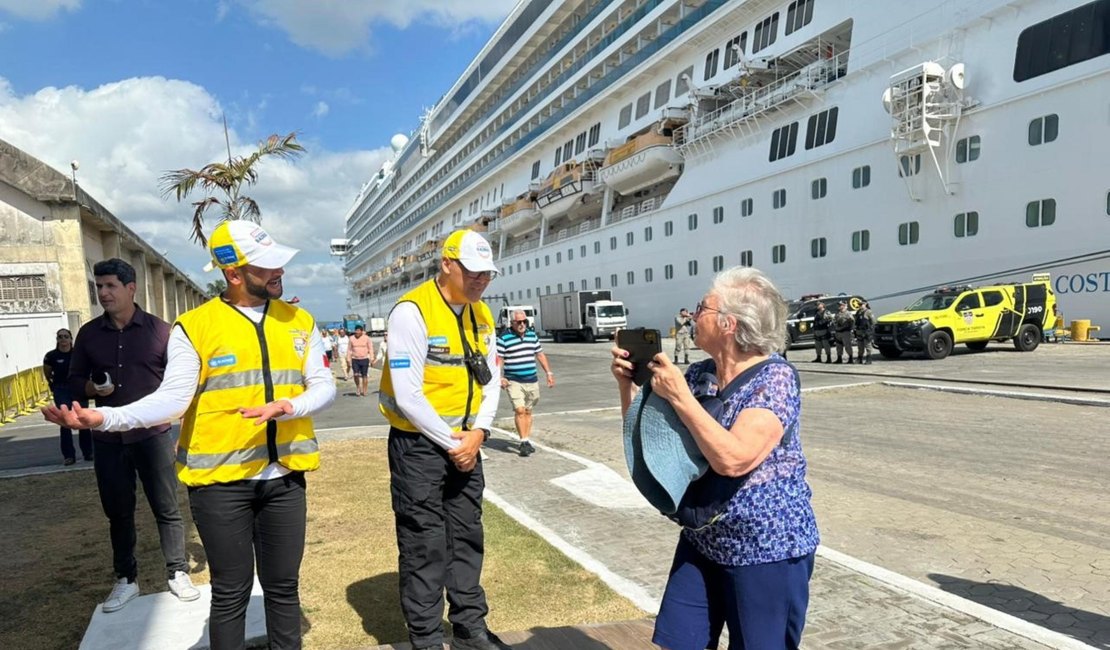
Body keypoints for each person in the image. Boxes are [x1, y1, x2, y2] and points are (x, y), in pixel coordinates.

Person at [45, 222, 335, 649]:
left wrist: (291, 406)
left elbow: (323, 384)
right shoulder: (193, 327)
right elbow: (171, 400)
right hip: (221, 486)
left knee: (283, 588)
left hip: (284, 480)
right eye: (268, 265)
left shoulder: (300, 320)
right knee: (231, 593)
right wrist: (105, 418)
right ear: (235, 274)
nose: (280, 272)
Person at [611, 267, 818, 650]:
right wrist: (628, 386)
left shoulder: (775, 379)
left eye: (701, 307)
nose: (693, 316)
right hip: (704, 537)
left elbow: (735, 459)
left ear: (728, 323)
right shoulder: (700, 374)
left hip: (766, 548)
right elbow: (647, 441)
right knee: (680, 642)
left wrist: (680, 397)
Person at [378, 229, 510, 650]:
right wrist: (457, 444)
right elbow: (408, 394)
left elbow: (490, 381)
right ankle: (427, 638)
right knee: (424, 542)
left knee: (468, 535)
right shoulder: (412, 312)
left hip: (466, 444)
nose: (480, 281)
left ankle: (471, 628)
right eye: (473, 272)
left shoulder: (482, 314)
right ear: (447, 264)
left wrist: (479, 433)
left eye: (487, 274)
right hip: (420, 447)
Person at [62, 258, 198, 612]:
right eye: (99, 287)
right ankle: (126, 580)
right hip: (106, 439)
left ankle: (177, 571)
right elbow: (74, 381)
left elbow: (179, 382)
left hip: (152, 436)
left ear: (131, 288)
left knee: (166, 507)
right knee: (118, 512)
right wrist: (93, 387)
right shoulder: (89, 334)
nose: (103, 293)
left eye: (110, 286)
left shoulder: (160, 331)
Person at [496, 310, 554, 457]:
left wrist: (549, 373)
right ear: (512, 323)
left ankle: (526, 439)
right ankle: (523, 441)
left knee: (528, 410)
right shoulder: (504, 338)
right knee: (520, 410)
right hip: (513, 380)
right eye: (519, 322)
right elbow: (499, 359)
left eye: (524, 322)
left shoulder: (532, 336)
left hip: (532, 379)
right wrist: (499, 377)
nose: (522, 325)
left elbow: (539, 354)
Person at [43, 328, 93, 465]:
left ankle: (88, 452)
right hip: (61, 389)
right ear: (57, 340)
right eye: (60, 337)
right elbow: (47, 372)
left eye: (66, 336)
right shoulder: (51, 356)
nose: (63, 339)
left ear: (71, 339)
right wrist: (51, 384)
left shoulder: (79, 354)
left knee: (83, 419)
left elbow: (87, 369)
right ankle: (69, 456)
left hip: (78, 389)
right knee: (65, 422)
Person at [347, 325, 374, 396]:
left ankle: (364, 390)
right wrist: (348, 359)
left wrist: (371, 358)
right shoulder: (351, 338)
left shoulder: (367, 338)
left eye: (359, 330)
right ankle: (358, 387)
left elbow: (370, 348)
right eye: (356, 330)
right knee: (355, 374)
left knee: (364, 375)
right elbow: (349, 349)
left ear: (362, 331)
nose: (357, 332)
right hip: (355, 359)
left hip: (364, 359)